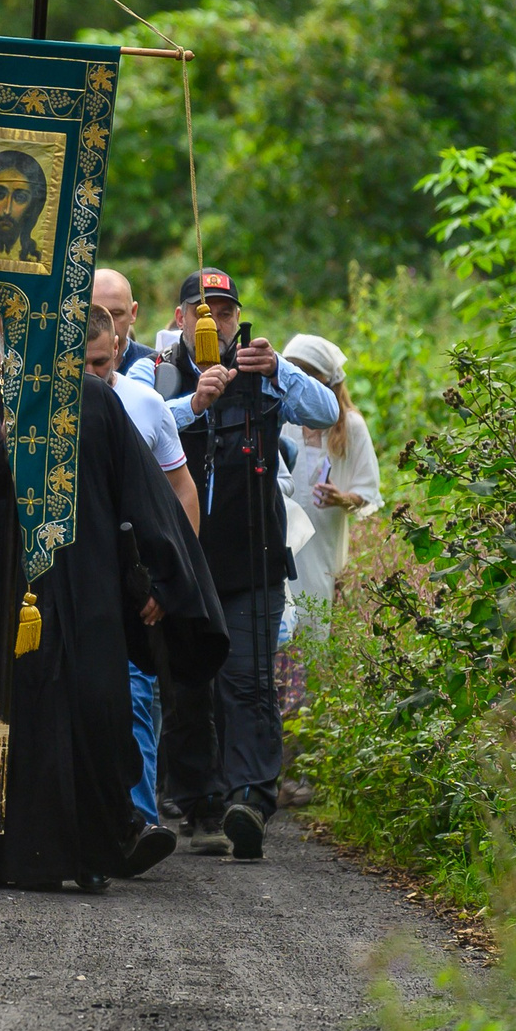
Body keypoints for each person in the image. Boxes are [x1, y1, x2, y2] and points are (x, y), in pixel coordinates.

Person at [0, 343, 225, 893]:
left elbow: (144, 493)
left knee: (93, 710)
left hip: (84, 588)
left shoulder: (95, 401)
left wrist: (164, 578)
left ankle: (97, 843)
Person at [160, 268, 341, 861]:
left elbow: (323, 413)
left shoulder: (265, 373)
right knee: (191, 686)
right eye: (202, 310)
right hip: (184, 559)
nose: (215, 320)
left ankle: (251, 801)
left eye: (227, 311)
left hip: (254, 558)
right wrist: (194, 402)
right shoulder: (157, 372)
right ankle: (201, 801)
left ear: (240, 319)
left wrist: (279, 371)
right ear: (180, 318)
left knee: (248, 682)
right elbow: (138, 423)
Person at [85, 304, 199, 832]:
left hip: (132, 577)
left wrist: (173, 578)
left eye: (102, 364)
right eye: (81, 366)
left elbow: (180, 490)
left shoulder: (145, 404)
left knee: (134, 697)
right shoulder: (39, 403)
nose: (93, 376)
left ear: (117, 350)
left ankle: (140, 821)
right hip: (71, 573)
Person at [280, 334, 381, 628]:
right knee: (284, 620)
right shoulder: (284, 421)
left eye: (309, 373)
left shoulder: (351, 427)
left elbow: (367, 491)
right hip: (284, 540)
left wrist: (341, 498)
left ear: (327, 380)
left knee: (317, 617)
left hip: (324, 541)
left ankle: (313, 674)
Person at [93, 268, 153, 375]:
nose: (108, 322)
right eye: (97, 314)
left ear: (133, 313)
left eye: (116, 314)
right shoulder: (65, 363)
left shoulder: (154, 366)